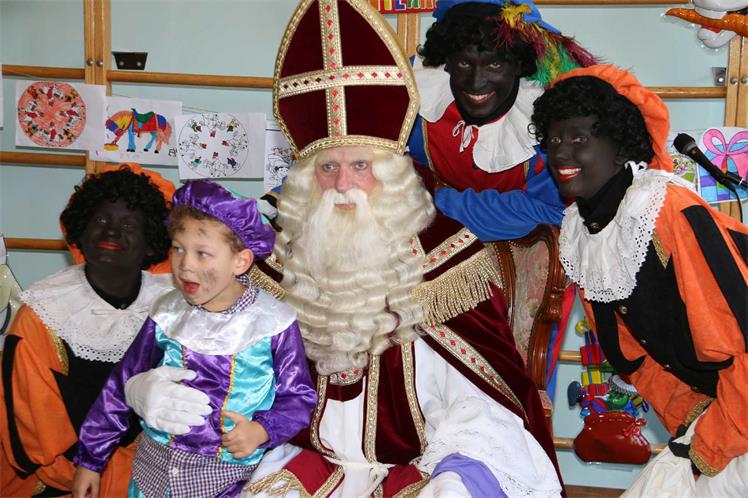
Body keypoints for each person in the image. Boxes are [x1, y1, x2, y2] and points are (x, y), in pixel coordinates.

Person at [125, 1, 563, 496]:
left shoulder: (447, 254)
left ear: (392, 176)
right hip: (303, 450)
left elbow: (481, 390)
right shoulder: (274, 258)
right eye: (327, 168)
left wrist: (455, 469)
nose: (342, 185)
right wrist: (144, 383)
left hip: (425, 453)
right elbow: (206, 341)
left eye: (360, 166)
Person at [531, 64, 748, 495]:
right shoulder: (584, 235)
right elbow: (636, 361)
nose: (561, 153)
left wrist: (707, 447)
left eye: (579, 139)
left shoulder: (669, 214)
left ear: (620, 148)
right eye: (554, 140)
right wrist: (693, 428)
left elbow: (741, 344)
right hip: (725, 411)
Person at [72, 180, 317, 498]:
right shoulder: (167, 313)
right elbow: (121, 385)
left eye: (203, 253)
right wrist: (90, 461)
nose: (185, 265)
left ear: (240, 261)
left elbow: (298, 397)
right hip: (153, 473)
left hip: (229, 480)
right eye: (178, 248)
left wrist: (262, 430)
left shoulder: (272, 322)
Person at [0, 164, 174, 497]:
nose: (112, 232)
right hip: (64, 482)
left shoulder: (172, 309)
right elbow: (39, 442)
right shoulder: (42, 316)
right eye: (100, 220)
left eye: (129, 225)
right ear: (81, 231)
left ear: (151, 243)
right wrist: (121, 480)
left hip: (153, 472)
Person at [407, 0, 597, 241]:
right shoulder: (416, 97)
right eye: (464, 63)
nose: (476, 83)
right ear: (447, 63)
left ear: (518, 65)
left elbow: (558, 211)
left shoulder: (550, 127)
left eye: (494, 64)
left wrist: (438, 203)